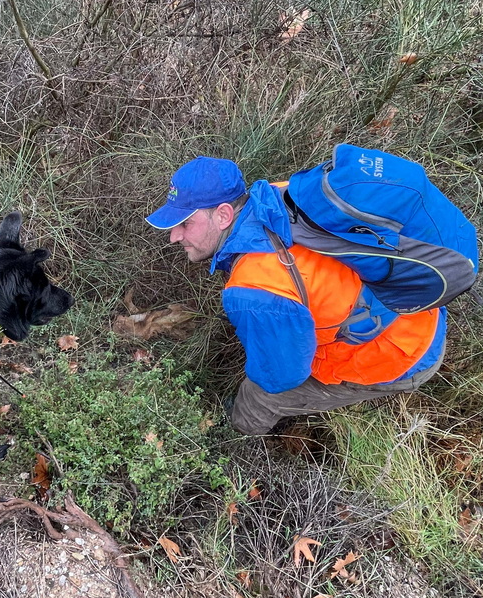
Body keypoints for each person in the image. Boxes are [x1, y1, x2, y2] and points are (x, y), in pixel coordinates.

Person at [146, 155, 446, 436]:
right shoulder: (279, 196)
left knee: (260, 395)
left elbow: (282, 377)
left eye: (185, 224)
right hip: (417, 306)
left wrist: (260, 366)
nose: (175, 236)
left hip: (403, 351)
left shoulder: (253, 292)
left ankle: (235, 441)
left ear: (224, 215)